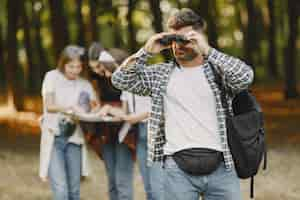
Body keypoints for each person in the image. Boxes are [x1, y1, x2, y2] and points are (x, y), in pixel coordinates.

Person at [111, 8, 254, 200]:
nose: (178, 45)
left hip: (222, 166)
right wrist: (146, 51)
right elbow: (120, 80)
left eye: (184, 39)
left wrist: (207, 50)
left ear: (199, 37)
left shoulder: (219, 72)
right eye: (173, 40)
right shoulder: (160, 74)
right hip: (177, 169)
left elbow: (245, 76)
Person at [39, 45, 98, 200]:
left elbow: (93, 108)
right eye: (71, 66)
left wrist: (90, 110)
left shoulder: (84, 84)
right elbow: (49, 106)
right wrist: (70, 108)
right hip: (54, 137)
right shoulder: (51, 77)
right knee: (61, 191)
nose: (75, 70)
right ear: (62, 63)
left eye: (78, 66)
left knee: (74, 191)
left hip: (75, 139)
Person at [87, 42, 134, 200]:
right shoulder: (98, 78)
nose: (99, 72)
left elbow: (129, 108)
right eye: (94, 68)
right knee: (112, 179)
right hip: (106, 131)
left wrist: (110, 109)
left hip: (125, 132)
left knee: (122, 180)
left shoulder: (126, 78)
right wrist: (97, 107)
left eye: (100, 67)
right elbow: (98, 101)